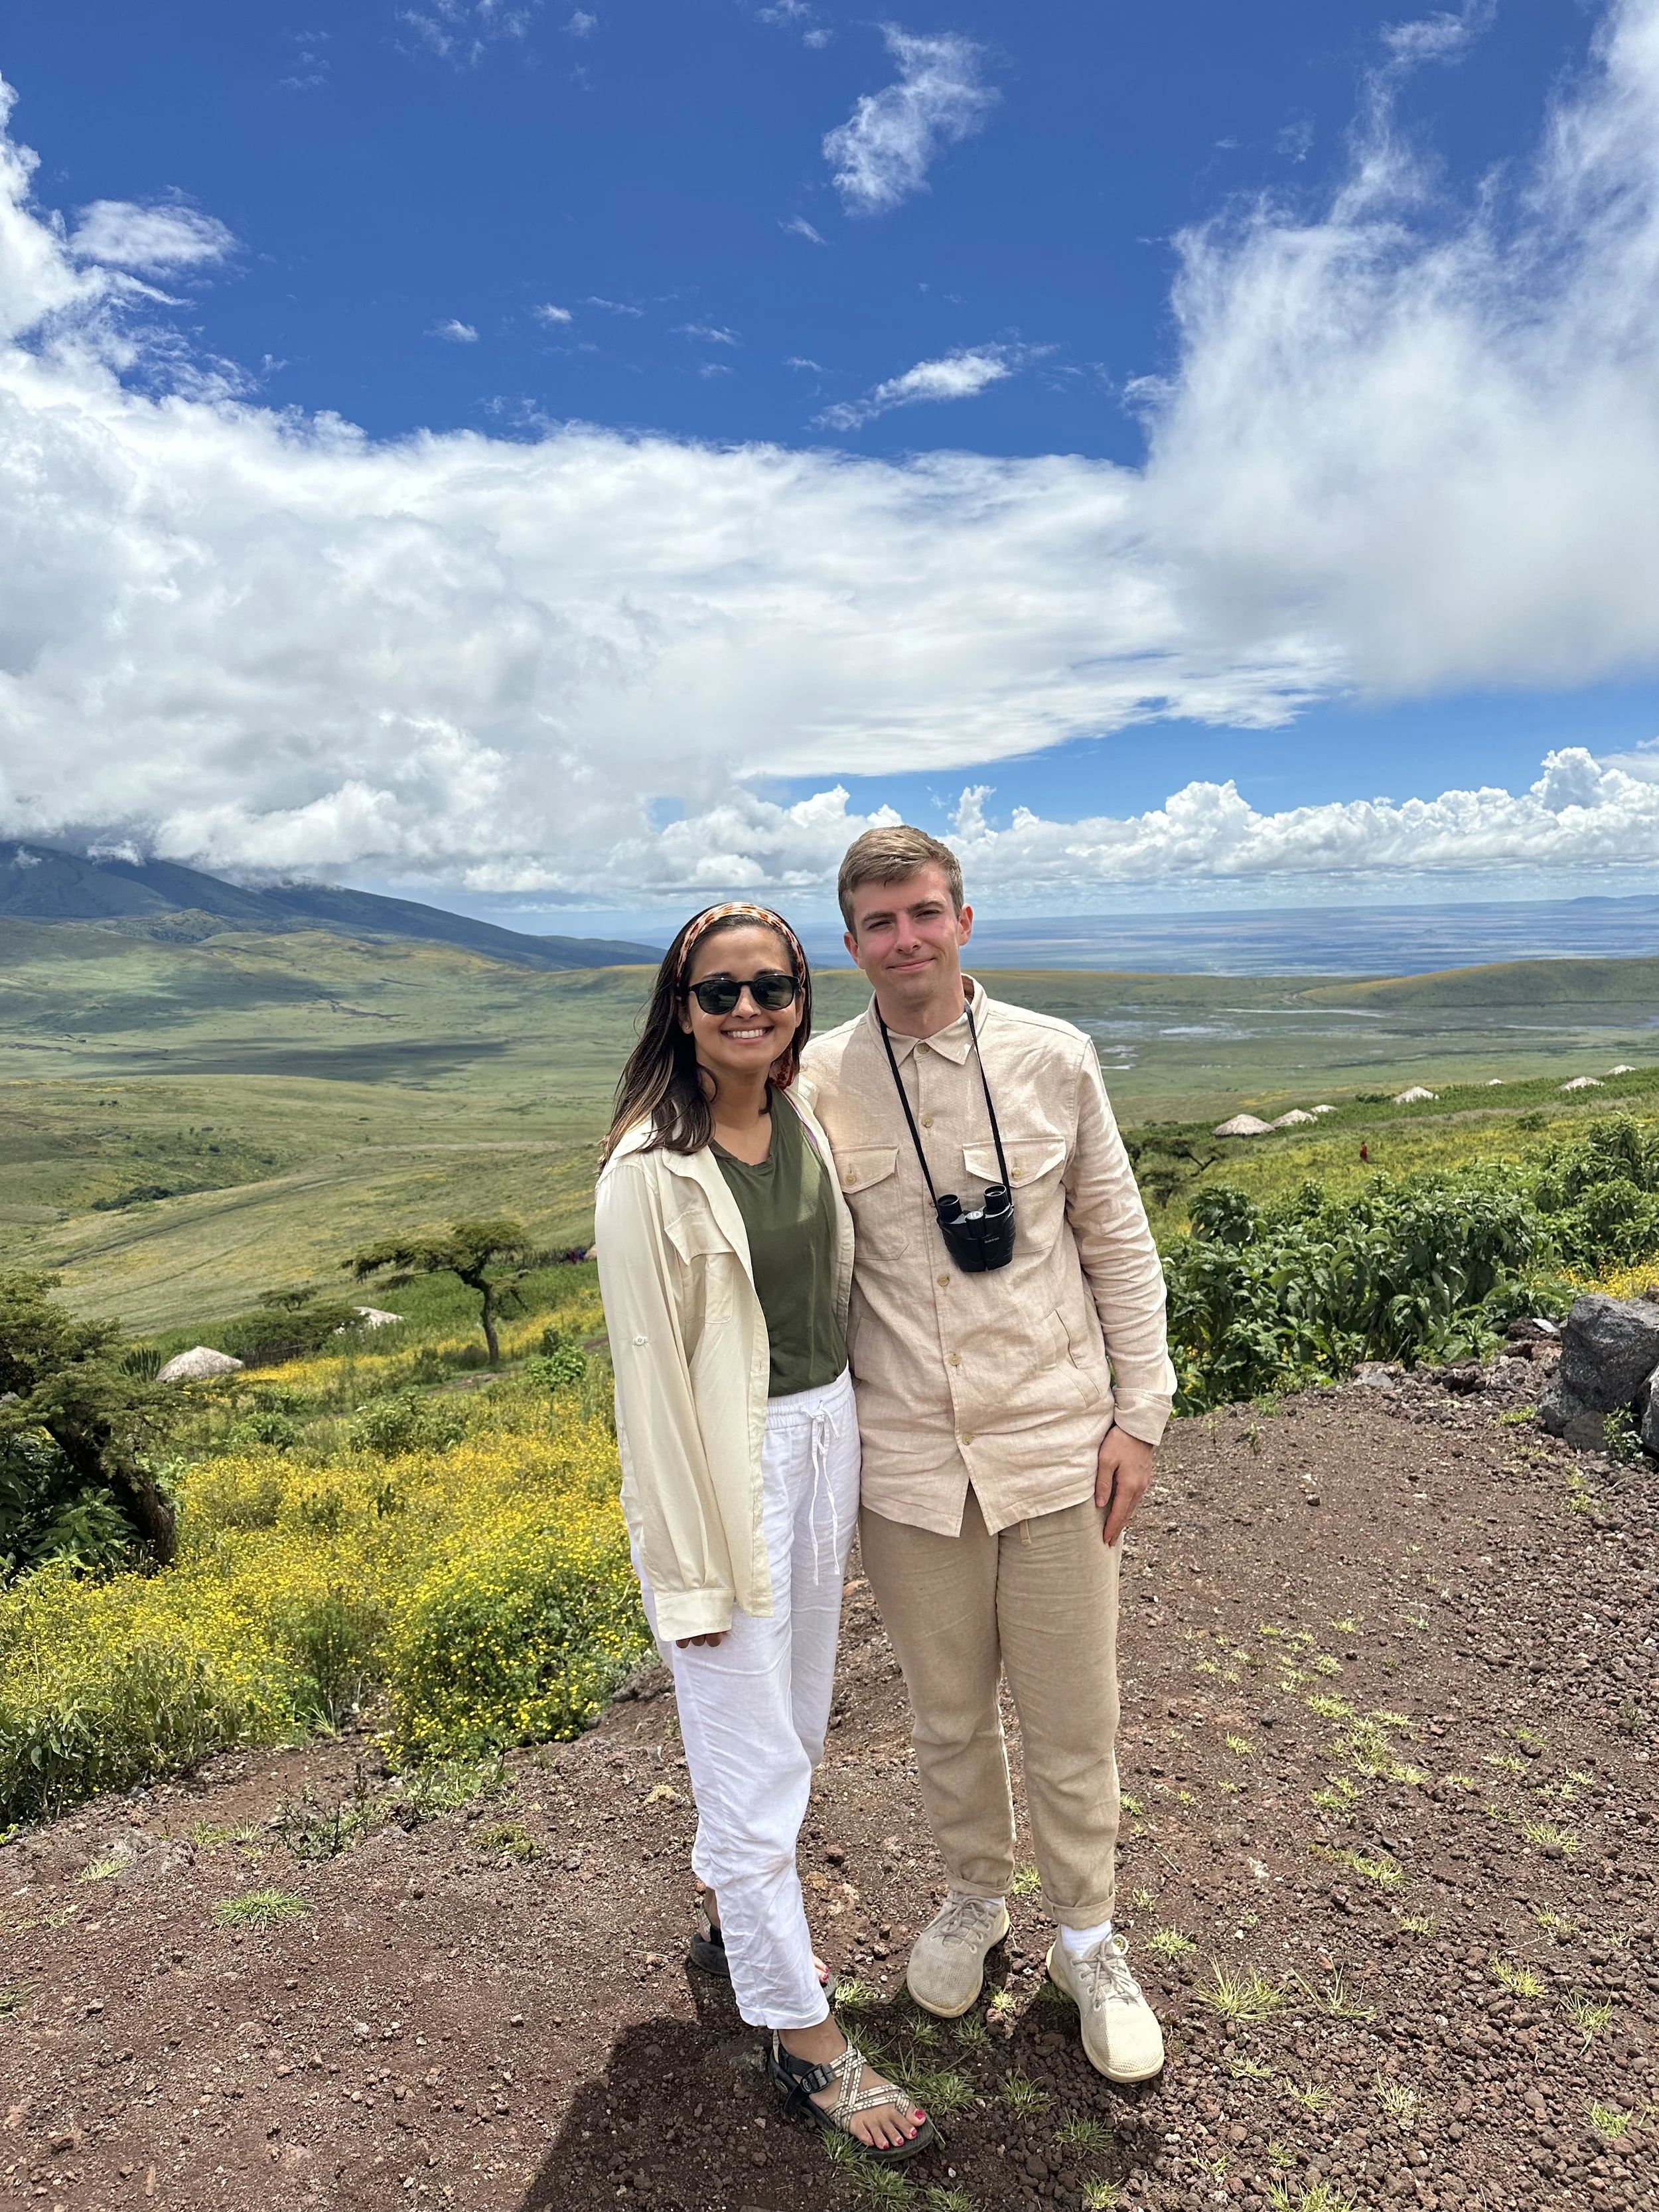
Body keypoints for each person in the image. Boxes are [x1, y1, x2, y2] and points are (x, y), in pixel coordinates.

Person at [800, 828, 1176, 2083]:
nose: (904, 940)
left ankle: (1088, 1938)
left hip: (1061, 1449)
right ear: (848, 944)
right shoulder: (816, 1082)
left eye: (923, 913)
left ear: (965, 919)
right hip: (906, 1461)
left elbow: (1116, 1237)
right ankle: (976, 1897)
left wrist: (1143, 1413)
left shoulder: (1053, 1058)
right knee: (946, 1716)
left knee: (1075, 1717)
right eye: (878, 923)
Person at [594, 901, 939, 2164]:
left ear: (800, 994)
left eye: (773, 987)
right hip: (726, 1466)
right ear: (679, 1012)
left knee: (790, 1721)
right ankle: (803, 2040)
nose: (750, 1009)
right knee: (755, 1755)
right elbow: (649, 1390)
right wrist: (683, 1571)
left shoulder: (797, 1118)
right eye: (721, 992)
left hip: (824, 1434)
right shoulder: (649, 1171)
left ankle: (731, 1922)